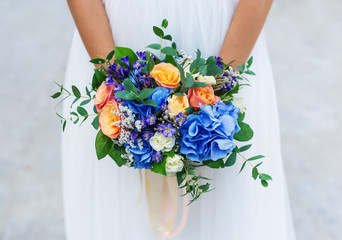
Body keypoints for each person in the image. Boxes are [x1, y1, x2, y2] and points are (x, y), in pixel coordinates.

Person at [62, 0, 296, 239]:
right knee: (120, 202)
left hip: (223, 37)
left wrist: (219, 87)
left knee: (227, 203)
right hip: (115, 33)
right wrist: (120, 86)